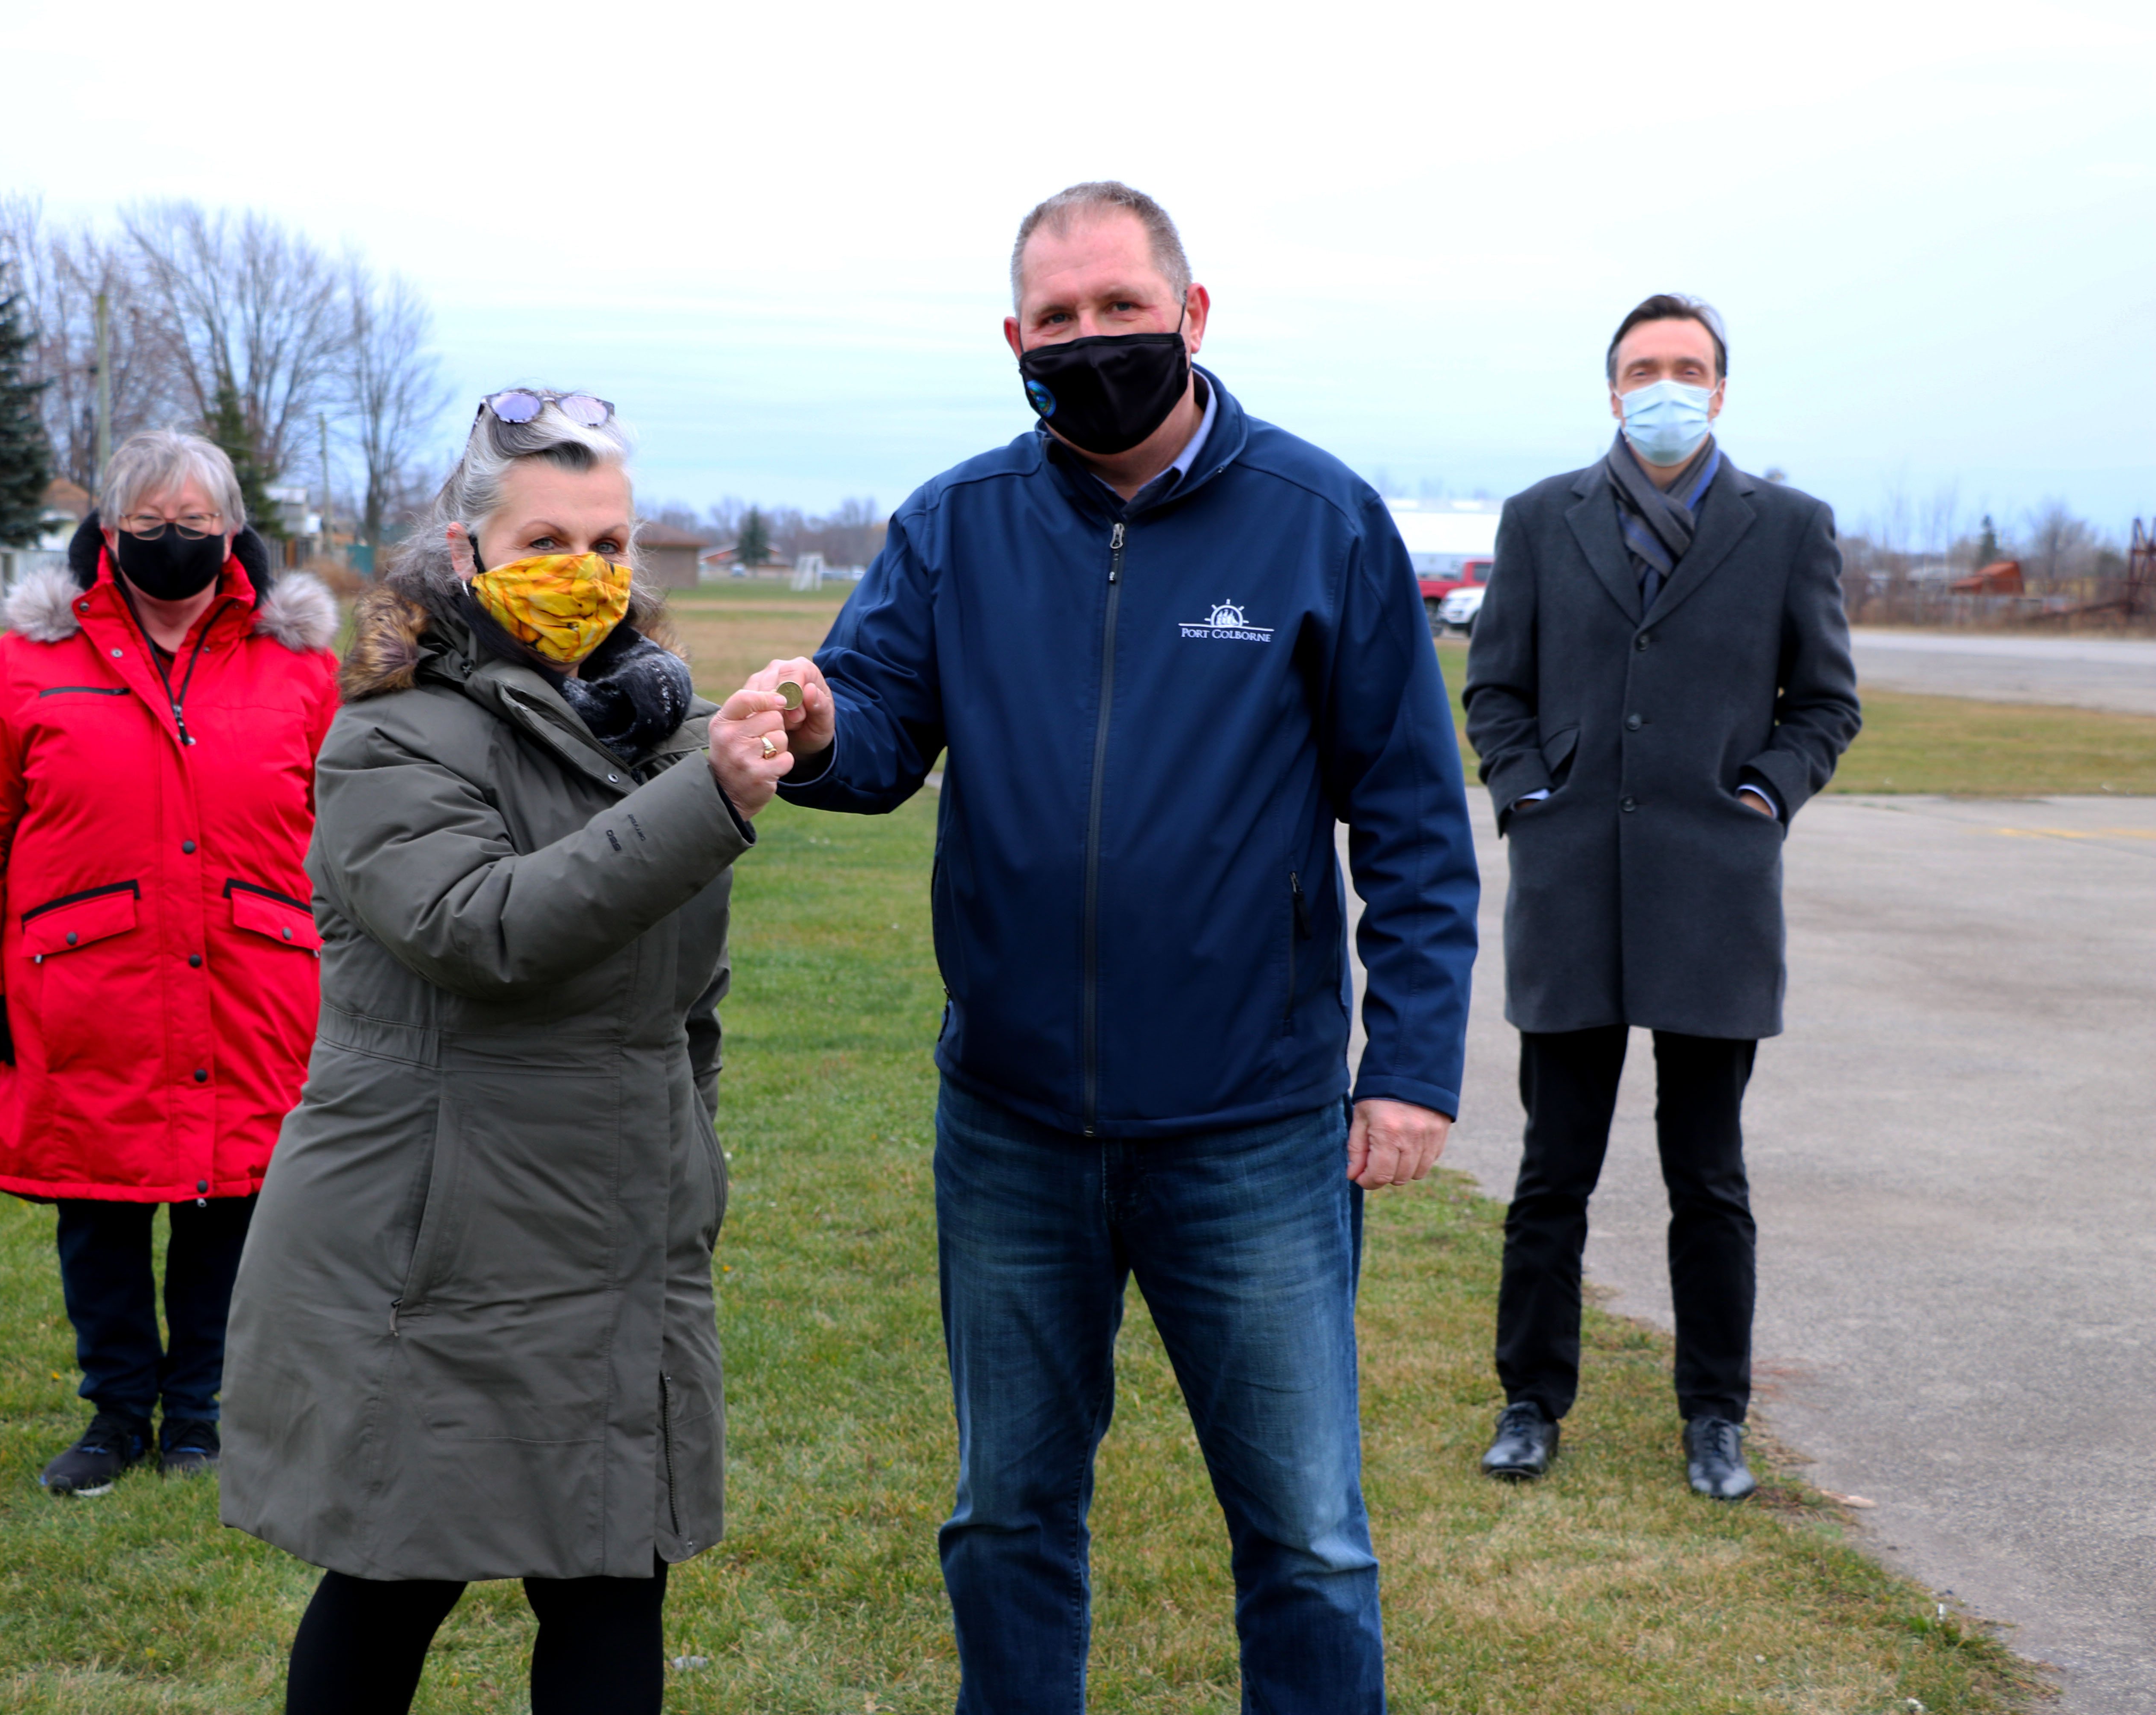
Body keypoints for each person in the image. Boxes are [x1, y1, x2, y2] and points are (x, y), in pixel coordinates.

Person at [751, 184, 1480, 1713]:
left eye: (1121, 311)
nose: (1093, 344)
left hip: (1253, 1131)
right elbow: (879, 728)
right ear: (1017, 341)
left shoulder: (1322, 521)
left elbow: (1413, 821)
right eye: (1060, 322)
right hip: (1013, 1127)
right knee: (1007, 1518)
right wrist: (824, 725)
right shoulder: (957, 527)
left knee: (1309, 1540)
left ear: (1193, 316)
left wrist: (1405, 1065)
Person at [218, 391, 793, 1715]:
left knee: (613, 1576)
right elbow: (478, 929)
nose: (583, 575)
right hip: (441, 1242)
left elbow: (678, 989)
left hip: (619, 1233)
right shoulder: (390, 734)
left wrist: (687, 1159)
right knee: (392, 1574)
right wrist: (703, 796)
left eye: (610, 545)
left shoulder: (638, 729)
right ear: (466, 549)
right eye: (547, 540)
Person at [1462, 294, 1860, 1501]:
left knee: (1710, 1176)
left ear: (1723, 391)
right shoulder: (1542, 519)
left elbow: (1827, 702)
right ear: (1613, 388)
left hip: (1714, 897)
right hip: (1572, 885)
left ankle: (1715, 1416)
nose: (1666, 387)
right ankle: (1531, 1401)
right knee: (1553, 1174)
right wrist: (1530, 796)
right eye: (1645, 368)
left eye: (1688, 368)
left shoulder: (1789, 527)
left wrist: (1764, 794)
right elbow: (1496, 692)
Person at [0, 428, 341, 1494]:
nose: (173, 541)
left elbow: (356, 835)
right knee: (97, 1213)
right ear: (108, 528)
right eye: (148, 522)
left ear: (235, 531)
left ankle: (199, 1414)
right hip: (87, 996)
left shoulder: (301, 671)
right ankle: (113, 1417)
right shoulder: (28, 663)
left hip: (255, 989)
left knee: (228, 1206)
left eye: (195, 522)